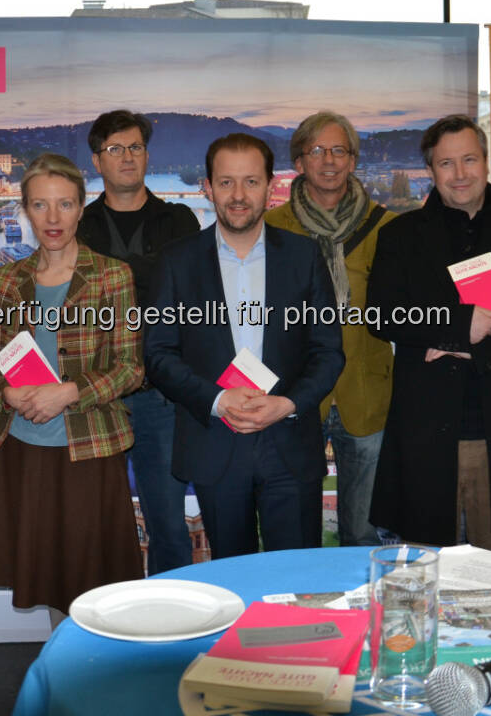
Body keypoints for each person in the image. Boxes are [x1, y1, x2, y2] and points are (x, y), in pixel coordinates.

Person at [366, 115, 491, 553]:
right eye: (446, 164)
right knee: (422, 572)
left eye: (469, 159)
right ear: (431, 171)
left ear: (486, 162)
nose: (460, 174)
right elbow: (382, 316)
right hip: (425, 433)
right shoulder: (400, 236)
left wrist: (474, 350)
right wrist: (459, 327)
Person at [145, 134, 345, 559]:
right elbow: (159, 354)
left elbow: (328, 352)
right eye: (226, 182)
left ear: (271, 185)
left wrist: (288, 403)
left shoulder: (304, 256)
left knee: (295, 582)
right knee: (230, 581)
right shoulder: (176, 261)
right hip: (215, 442)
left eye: (251, 182)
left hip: (289, 443)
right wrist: (217, 399)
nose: (238, 196)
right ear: (208, 186)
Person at [0, 153, 145, 619]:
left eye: (64, 205)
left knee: (94, 585)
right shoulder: (9, 279)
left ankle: (93, 679)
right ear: (25, 210)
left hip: (88, 450)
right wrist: (4, 391)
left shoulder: (112, 276)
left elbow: (131, 368)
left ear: (81, 208)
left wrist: (68, 392)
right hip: (25, 448)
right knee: (48, 581)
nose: (53, 218)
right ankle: (64, 678)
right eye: (40, 205)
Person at [77, 110, 201, 574]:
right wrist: (150, 276)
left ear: (147, 155)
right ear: (97, 160)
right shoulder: (80, 224)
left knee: (167, 522)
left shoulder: (179, 220)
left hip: (161, 397)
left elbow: (191, 299)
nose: (126, 157)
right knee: (98, 524)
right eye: (115, 149)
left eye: (135, 147)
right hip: (96, 395)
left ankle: (172, 634)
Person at [264, 110, 393, 547]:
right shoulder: (273, 229)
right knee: (296, 529)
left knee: (364, 530)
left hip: (366, 394)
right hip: (297, 396)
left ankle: (366, 611)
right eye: (317, 150)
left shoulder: (386, 227)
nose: (330, 160)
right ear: (299, 163)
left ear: (353, 160)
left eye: (340, 150)